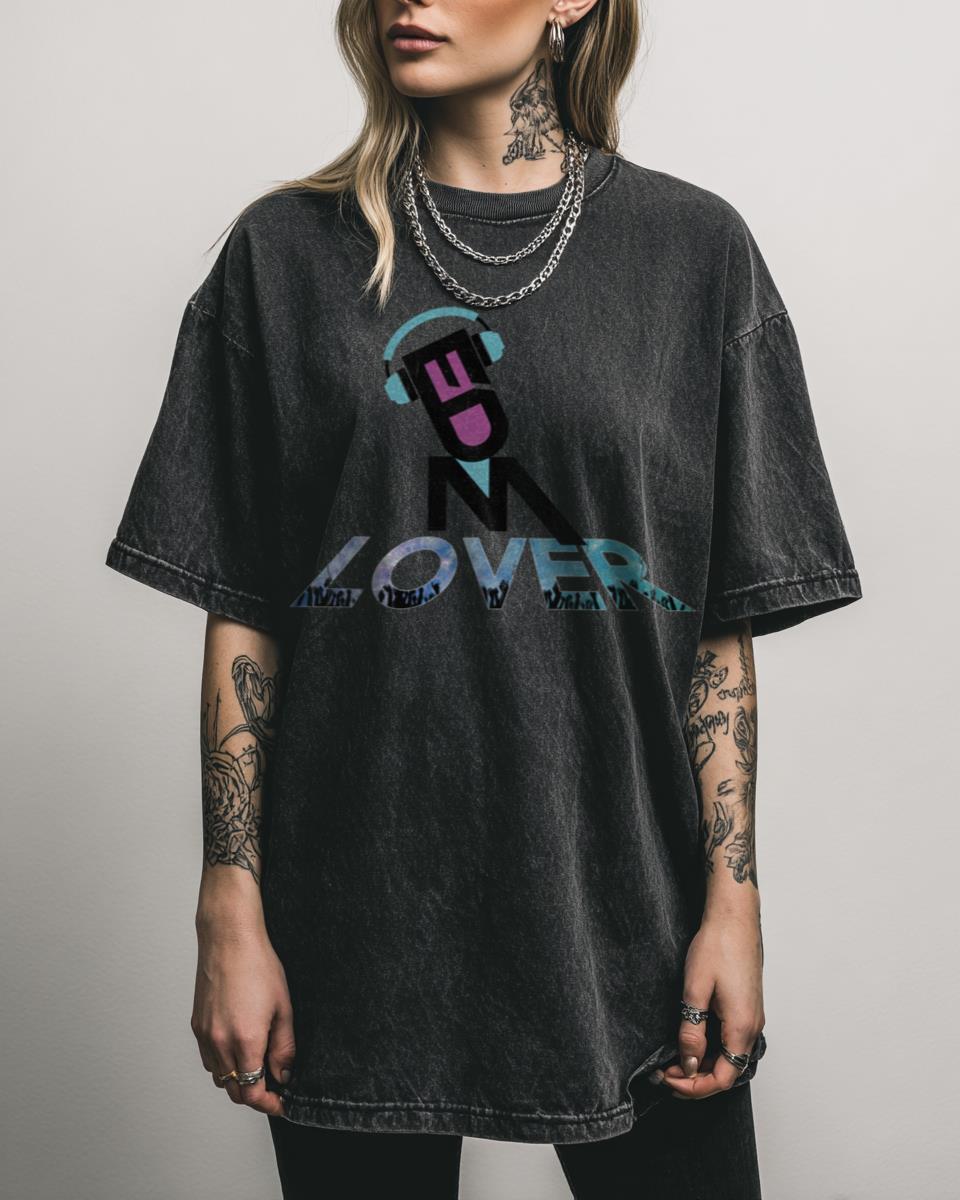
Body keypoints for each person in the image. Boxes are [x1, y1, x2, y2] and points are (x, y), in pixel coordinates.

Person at [103, 1, 863, 1196]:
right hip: (351, 922)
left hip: (630, 916)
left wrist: (734, 901)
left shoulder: (693, 254)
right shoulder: (284, 255)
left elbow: (716, 631)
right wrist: (229, 904)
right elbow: (244, 607)